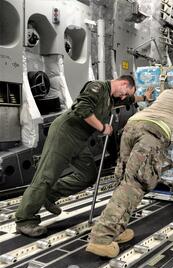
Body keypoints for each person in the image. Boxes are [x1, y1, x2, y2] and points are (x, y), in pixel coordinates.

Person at [86, 72, 173, 257]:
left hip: (131, 127)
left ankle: (116, 229)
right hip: (153, 135)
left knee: (124, 179)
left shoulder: (168, 94)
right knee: (134, 185)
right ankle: (101, 238)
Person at [15, 75, 147, 237]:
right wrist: (102, 128)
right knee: (46, 175)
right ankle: (25, 220)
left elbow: (129, 100)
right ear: (123, 83)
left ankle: (50, 195)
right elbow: (82, 109)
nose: (124, 97)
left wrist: (144, 97)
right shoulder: (97, 87)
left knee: (88, 175)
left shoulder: (111, 98)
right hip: (65, 132)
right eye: (125, 92)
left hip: (80, 139)